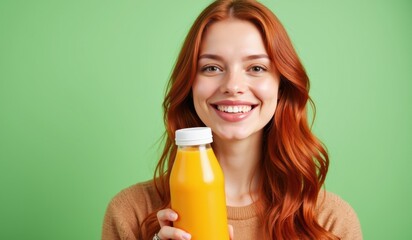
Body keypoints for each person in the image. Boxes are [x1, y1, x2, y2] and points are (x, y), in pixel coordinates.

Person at [102, 0, 362, 239]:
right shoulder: (131, 212)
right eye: (212, 68)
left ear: (281, 86)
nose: (233, 86)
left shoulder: (329, 221)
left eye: (256, 68)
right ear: (189, 84)